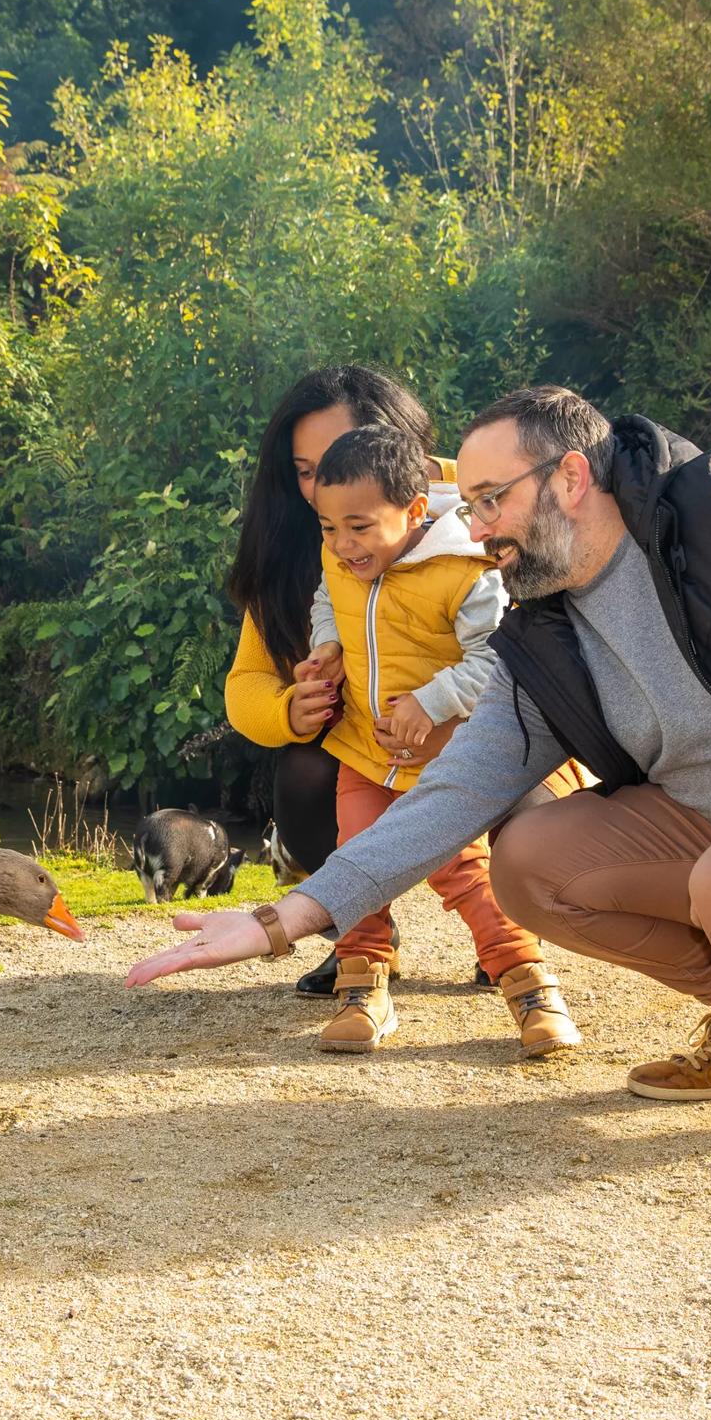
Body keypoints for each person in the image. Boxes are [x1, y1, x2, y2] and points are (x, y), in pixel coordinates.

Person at [131, 385, 711, 1147]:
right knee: (531, 864)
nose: (475, 532)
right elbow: (450, 796)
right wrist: (282, 920)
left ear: (570, 478)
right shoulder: (543, 640)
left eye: (488, 500)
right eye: (469, 506)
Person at [302, 422, 579, 1055]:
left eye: (360, 527)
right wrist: (326, 646)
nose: (343, 545)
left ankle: (527, 982)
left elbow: (494, 659)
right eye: (329, 529)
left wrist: (430, 704)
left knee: (463, 869)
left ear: (416, 510)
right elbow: (329, 599)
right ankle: (361, 980)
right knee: (356, 857)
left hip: (444, 756)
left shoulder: (465, 569)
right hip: (365, 751)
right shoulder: (338, 561)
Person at [223, 365, 439, 996]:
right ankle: (362, 938)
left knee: (515, 783)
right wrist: (292, 709)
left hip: (466, 735)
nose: (319, 489)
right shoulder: (294, 546)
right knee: (305, 771)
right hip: (360, 753)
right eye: (305, 469)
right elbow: (246, 684)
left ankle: (508, 938)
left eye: (339, 459)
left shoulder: (469, 508)